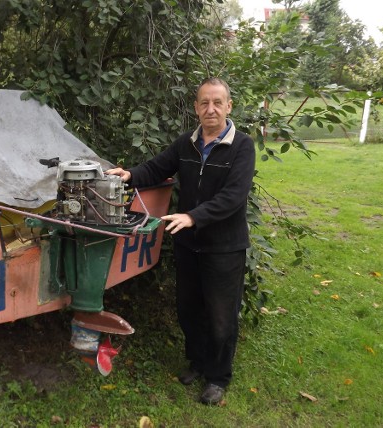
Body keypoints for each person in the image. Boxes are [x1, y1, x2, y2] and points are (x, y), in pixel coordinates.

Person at [105, 77, 255, 405]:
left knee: (220, 315)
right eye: (204, 102)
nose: (211, 109)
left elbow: (234, 196)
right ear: (196, 107)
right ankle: (198, 363)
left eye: (218, 102)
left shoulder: (242, 146)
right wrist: (129, 174)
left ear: (229, 106)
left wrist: (193, 216)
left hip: (224, 248)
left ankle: (218, 376)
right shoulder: (185, 143)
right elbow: (158, 167)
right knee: (189, 309)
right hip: (188, 245)